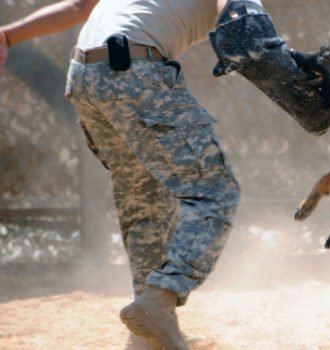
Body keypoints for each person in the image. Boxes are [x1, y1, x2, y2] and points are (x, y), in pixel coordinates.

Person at [1, 0, 262, 348]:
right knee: (215, 189)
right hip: (133, 71)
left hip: (84, 76)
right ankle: (160, 299)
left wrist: (6, 35)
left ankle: (148, 334)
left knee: (144, 203)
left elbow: (80, 7)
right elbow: (235, 15)